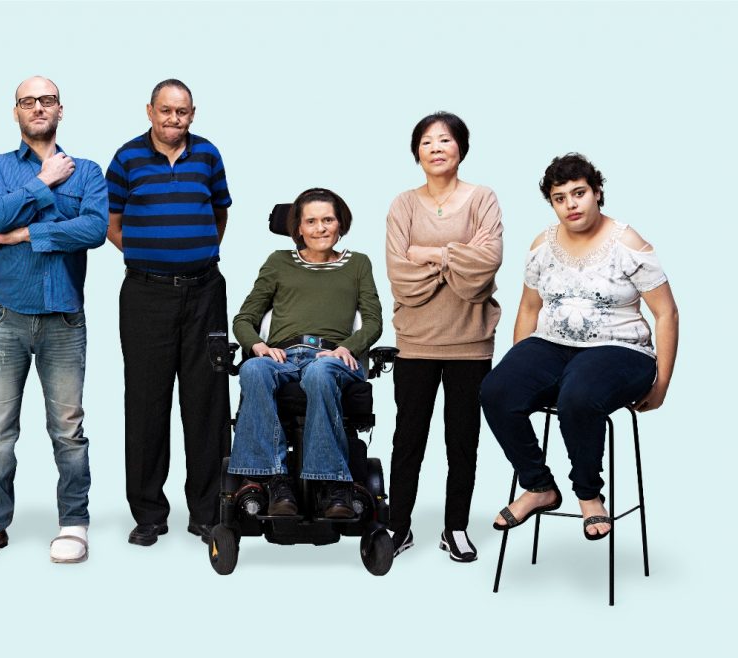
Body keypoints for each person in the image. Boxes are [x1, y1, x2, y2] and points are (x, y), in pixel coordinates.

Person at [481, 153, 678, 540]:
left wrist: (662, 384)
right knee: (496, 390)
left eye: (579, 193)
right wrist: (521, 360)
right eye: (560, 198)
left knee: (580, 395)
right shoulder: (542, 244)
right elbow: (529, 307)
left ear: (596, 192)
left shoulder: (628, 243)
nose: (571, 204)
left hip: (621, 349)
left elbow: (667, 314)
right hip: (552, 344)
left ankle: (589, 495)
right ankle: (538, 486)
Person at [0, 76, 108, 564]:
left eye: (47, 100)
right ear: (16, 111)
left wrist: (24, 233)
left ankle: (74, 523)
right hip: (4, 315)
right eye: (29, 101)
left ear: (61, 109)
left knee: (68, 428)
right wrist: (43, 182)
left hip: (64, 317)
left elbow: (93, 229)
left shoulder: (86, 171)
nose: (38, 107)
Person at [106, 79, 232, 546]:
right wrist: (147, 254)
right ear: (149, 111)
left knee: (207, 401)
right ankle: (149, 514)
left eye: (181, 112)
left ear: (192, 114)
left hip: (204, 293)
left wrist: (195, 252)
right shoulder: (126, 159)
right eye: (165, 110)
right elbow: (110, 223)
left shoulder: (209, 156)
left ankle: (206, 511)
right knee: (145, 402)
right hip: (145, 296)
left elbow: (220, 214)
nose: (173, 119)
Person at [385, 111, 503, 563]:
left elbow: (484, 268)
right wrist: (457, 259)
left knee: (463, 440)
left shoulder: (482, 198)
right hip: (415, 341)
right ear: (417, 152)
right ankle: (398, 526)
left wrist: (430, 254)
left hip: (470, 342)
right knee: (408, 439)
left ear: (461, 148)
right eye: (427, 141)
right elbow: (402, 278)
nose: (436, 148)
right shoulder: (402, 205)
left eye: (446, 140)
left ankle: (455, 528)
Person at [228, 188, 382, 517]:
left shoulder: (358, 264)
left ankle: (332, 486)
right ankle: (274, 480)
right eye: (310, 221)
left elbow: (373, 322)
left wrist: (346, 347)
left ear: (341, 223)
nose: (320, 228)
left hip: (333, 358)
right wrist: (258, 346)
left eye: (328, 220)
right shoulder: (279, 262)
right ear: (298, 227)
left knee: (320, 372)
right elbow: (244, 318)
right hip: (283, 357)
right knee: (253, 369)